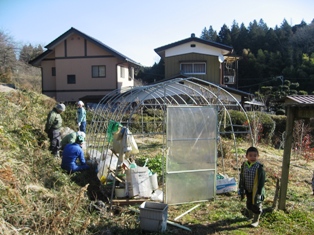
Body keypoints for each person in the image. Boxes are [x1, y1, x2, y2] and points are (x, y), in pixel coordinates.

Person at [239, 146, 265, 227]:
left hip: (256, 190)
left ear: (258, 156)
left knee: (256, 204)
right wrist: (241, 187)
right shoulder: (244, 165)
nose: (253, 157)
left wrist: (260, 192)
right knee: (249, 203)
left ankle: (255, 220)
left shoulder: (259, 167)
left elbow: (262, 181)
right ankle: (250, 215)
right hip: (247, 189)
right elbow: (242, 177)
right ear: (246, 156)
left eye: (255, 155)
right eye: (250, 155)